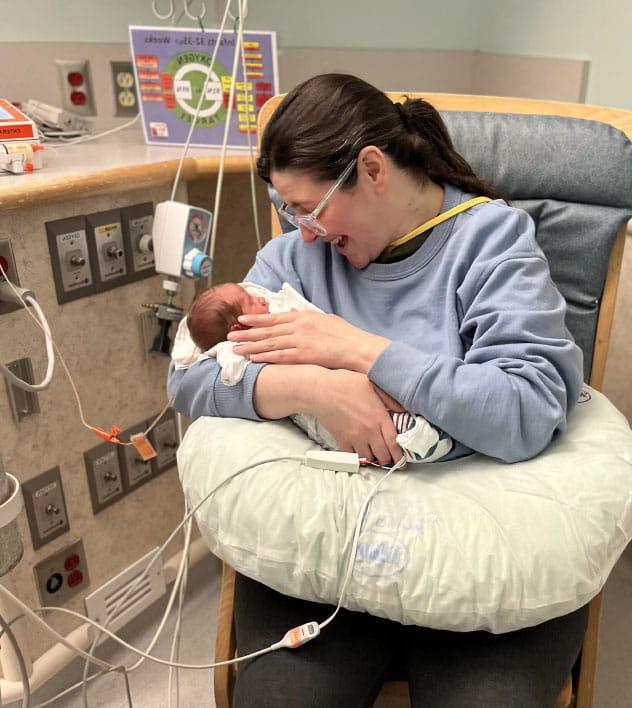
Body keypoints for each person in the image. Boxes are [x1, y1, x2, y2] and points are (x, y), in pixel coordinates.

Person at [168, 73, 587, 707]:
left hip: (474, 561)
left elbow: (525, 408)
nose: (303, 231)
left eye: (311, 208)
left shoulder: (492, 243)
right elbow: (193, 374)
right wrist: (313, 387)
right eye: (289, 211)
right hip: (329, 558)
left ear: (372, 168)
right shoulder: (294, 261)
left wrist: (357, 350)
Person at [179, 281, 453, 462]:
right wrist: (313, 386)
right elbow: (190, 381)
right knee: (371, 429)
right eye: (250, 301)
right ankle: (416, 439)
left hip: (357, 377)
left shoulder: (276, 306)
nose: (260, 297)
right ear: (238, 330)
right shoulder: (238, 349)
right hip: (321, 416)